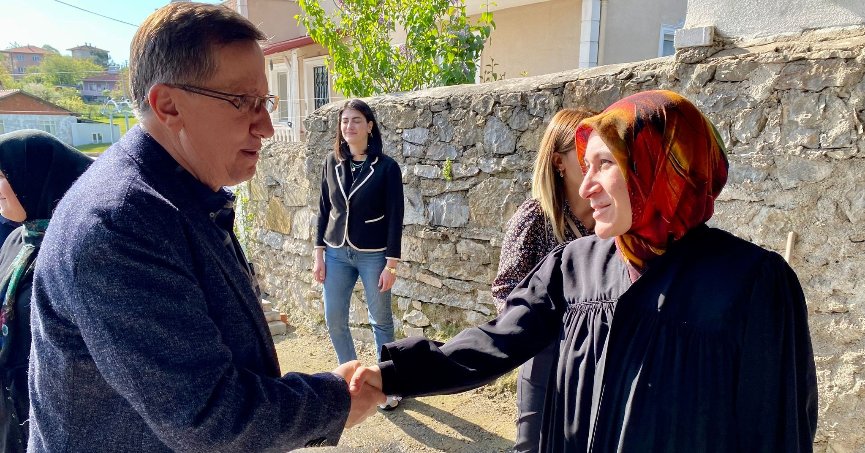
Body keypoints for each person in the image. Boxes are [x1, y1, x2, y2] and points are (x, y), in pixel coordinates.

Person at [350, 90, 818, 452]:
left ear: (658, 166)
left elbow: (777, 430)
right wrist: (390, 375)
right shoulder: (575, 264)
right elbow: (496, 342)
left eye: (605, 164)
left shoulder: (753, 283)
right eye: (585, 166)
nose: (587, 185)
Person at [28, 4, 383, 452]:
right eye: (243, 101)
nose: (267, 127)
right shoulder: (120, 223)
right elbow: (206, 417)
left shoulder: (180, 196)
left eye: (265, 102)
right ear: (168, 105)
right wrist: (333, 402)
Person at [491, 108, 595, 452]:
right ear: (558, 161)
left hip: (599, 360)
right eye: (583, 148)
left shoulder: (612, 217)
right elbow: (506, 290)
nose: (595, 157)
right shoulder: (536, 218)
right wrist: (537, 330)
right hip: (545, 359)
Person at [0, 130, 92, 453]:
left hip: (58, 415)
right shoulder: (18, 240)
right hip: (11, 409)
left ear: (35, 177)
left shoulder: (78, 252)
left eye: (3, 175)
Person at [313, 98, 405, 409]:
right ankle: (351, 380)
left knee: (381, 320)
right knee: (334, 318)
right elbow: (323, 209)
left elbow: (395, 216)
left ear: (369, 126)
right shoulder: (331, 162)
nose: (349, 126)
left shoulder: (387, 167)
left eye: (355, 120)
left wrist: (391, 265)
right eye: (344, 121)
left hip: (373, 254)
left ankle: (388, 384)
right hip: (336, 252)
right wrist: (318, 254)